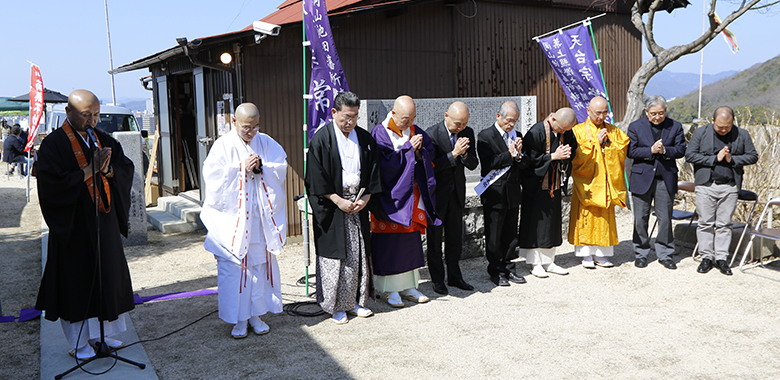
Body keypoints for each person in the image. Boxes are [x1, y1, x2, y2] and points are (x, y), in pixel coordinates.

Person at [35, 89, 135, 360]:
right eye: (85, 115)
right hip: (73, 224)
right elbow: (50, 185)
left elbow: (124, 169)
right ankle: (80, 344)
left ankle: (108, 334)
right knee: (76, 285)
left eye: (96, 114)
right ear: (69, 113)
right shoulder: (54, 144)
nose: (92, 120)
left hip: (103, 223)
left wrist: (109, 171)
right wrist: (87, 172)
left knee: (108, 279)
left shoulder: (102, 139)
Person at [201, 103, 287, 338]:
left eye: (256, 126)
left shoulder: (266, 142)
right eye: (247, 127)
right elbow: (213, 179)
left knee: (258, 268)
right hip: (234, 223)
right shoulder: (222, 146)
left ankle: (256, 316)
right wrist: (241, 170)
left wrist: (262, 167)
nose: (251, 132)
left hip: (258, 221)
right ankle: (239, 320)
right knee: (235, 272)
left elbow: (280, 168)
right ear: (235, 123)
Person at [305, 91, 381, 324]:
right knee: (335, 258)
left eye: (355, 117)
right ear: (334, 112)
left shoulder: (365, 139)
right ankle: (335, 305)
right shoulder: (321, 139)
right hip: (332, 206)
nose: (350, 122)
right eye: (346, 117)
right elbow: (315, 179)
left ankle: (356, 301)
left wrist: (365, 199)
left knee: (357, 256)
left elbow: (374, 174)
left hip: (358, 203)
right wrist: (337, 200)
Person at [369, 95, 440, 307]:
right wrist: (409, 149)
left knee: (410, 242)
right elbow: (384, 165)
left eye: (412, 119)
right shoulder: (380, 133)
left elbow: (430, 153)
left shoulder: (415, 131)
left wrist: (420, 152)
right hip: (390, 198)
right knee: (389, 242)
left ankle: (409, 286)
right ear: (393, 113)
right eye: (405, 119)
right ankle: (388, 289)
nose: (409, 124)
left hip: (411, 197)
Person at [685, 106, 758, 275]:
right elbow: (690, 155)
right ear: (712, 121)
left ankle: (722, 258)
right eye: (719, 127)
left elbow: (753, 156)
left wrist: (732, 159)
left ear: (733, 122)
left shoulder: (742, 134)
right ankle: (706, 257)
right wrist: (714, 159)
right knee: (705, 223)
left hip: (730, 186)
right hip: (706, 184)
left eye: (727, 126)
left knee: (725, 224)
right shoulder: (701, 133)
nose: (724, 130)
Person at [568, 96, 630, 268]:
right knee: (586, 218)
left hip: (606, 183)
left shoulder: (613, 131)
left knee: (604, 219)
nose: (601, 117)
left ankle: (602, 255)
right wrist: (596, 142)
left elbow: (622, 149)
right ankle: (586, 255)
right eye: (597, 113)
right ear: (588, 111)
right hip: (587, 184)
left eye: (604, 113)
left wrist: (607, 144)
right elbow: (577, 158)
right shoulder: (577, 131)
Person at [627, 95, 687, 270]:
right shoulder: (635, 127)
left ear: (665, 111)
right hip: (641, 178)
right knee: (640, 218)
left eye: (661, 113)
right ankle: (641, 253)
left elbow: (681, 149)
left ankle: (665, 253)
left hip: (665, 178)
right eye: (653, 113)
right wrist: (650, 151)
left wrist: (665, 150)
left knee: (665, 219)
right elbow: (631, 151)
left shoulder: (675, 126)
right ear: (646, 112)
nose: (657, 117)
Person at [425, 101, 479, 294]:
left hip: (456, 194)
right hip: (437, 195)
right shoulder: (431, 134)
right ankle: (437, 279)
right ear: (446, 115)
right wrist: (454, 154)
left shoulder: (468, 133)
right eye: (457, 123)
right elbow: (430, 167)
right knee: (435, 238)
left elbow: (473, 164)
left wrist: (464, 155)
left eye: (464, 124)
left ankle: (455, 277)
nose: (461, 128)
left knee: (455, 238)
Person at [519, 107, 578, 278]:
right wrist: (552, 156)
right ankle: (534, 263)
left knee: (552, 224)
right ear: (552, 119)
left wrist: (567, 155)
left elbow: (572, 148)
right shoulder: (535, 132)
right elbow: (528, 161)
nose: (562, 133)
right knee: (536, 224)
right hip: (536, 187)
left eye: (566, 130)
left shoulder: (565, 132)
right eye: (560, 129)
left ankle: (549, 261)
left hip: (555, 184)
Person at [477, 101, 529, 286]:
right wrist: (509, 154)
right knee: (494, 234)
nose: (512, 124)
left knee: (510, 234)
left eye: (515, 121)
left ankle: (508, 267)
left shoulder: (518, 136)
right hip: (494, 193)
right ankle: (495, 270)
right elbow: (488, 163)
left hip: (513, 192)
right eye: (509, 120)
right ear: (498, 116)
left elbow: (524, 165)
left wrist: (520, 155)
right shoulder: (485, 136)